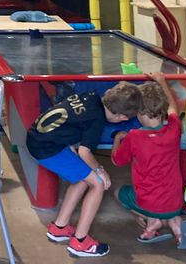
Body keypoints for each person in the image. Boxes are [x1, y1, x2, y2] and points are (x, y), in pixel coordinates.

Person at [28, 81, 143, 258]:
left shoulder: (89, 97)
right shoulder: (96, 120)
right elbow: (85, 151)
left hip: (38, 138)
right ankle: (80, 242)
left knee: (83, 178)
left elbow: (69, 121)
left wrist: (88, 163)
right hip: (48, 148)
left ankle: (60, 227)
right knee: (97, 183)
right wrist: (100, 171)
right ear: (122, 118)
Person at [112, 72, 186, 248]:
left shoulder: (134, 137)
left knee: (118, 192)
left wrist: (118, 139)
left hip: (149, 203)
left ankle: (152, 224)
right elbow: (173, 108)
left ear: (139, 112)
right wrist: (162, 81)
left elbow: (117, 161)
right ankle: (176, 226)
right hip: (175, 201)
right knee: (167, 207)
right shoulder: (174, 129)